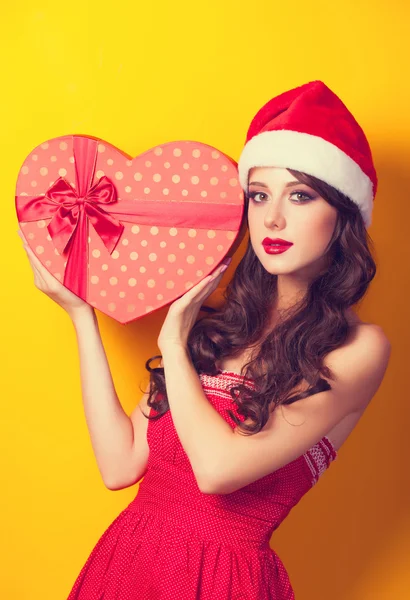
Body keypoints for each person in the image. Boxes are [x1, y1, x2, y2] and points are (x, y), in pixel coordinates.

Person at [18, 80, 391, 599]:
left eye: (301, 196)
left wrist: (174, 340)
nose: (273, 218)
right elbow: (119, 464)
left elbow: (218, 471)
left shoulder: (358, 348)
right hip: (127, 561)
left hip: (220, 582)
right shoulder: (217, 329)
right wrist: (81, 314)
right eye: (259, 196)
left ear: (343, 213)